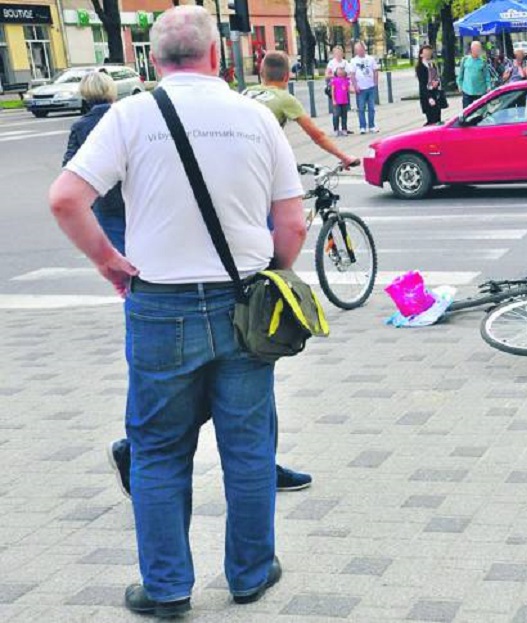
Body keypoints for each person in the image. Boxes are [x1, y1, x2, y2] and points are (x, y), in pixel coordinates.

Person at [49, 6, 305, 616]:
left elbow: (66, 198)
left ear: (153, 59)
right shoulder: (255, 116)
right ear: (217, 56)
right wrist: (269, 270)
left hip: (160, 305)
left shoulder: (130, 115)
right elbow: (292, 224)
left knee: (159, 449)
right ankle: (249, 573)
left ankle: (165, 589)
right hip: (244, 302)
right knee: (248, 448)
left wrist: (110, 260)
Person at [244, 51, 357, 167]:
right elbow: (317, 135)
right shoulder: (285, 98)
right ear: (287, 76)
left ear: (261, 73)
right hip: (260, 157)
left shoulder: (246, 92)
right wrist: (344, 157)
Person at [62, 71, 124, 254]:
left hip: (105, 200)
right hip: (140, 196)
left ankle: (132, 282)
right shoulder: (128, 118)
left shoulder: (81, 126)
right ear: (112, 91)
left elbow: (70, 166)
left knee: (120, 254)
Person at [348, 42, 380, 134]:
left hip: (370, 86)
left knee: (371, 107)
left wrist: (375, 83)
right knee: (361, 108)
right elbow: (352, 74)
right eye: (357, 50)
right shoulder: (353, 61)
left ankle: (371, 125)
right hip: (360, 88)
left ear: (364, 49)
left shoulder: (370, 59)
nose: (359, 51)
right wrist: (355, 85)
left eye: (360, 49)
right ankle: (362, 126)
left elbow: (375, 71)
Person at [458, 41, 490, 108]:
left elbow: (487, 75)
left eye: (479, 48)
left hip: (480, 92)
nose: (478, 50)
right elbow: (460, 74)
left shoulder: (483, 61)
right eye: (477, 48)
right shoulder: (465, 59)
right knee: (467, 113)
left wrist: (488, 86)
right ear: (472, 49)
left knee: (480, 112)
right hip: (467, 91)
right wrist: (460, 85)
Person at [416, 44, 442, 126]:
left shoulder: (432, 64)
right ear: (421, 55)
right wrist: (429, 97)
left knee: (437, 115)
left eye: (429, 52)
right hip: (427, 94)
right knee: (431, 117)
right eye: (426, 52)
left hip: (435, 92)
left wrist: (437, 82)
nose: (428, 54)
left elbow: (437, 76)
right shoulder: (420, 67)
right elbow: (422, 83)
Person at [331, 66, 351, 135]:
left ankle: (344, 129)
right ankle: (336, 129)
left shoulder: (346, 80)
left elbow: (348, 89)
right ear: (336, 72)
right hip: (337, 101)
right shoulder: (334, 80)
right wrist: (333, 100)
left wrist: (356, 91)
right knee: (336, 115)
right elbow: (332, 91)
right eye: (339, 71)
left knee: (344, 116)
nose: (340, 72)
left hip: (344, 101)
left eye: (342, 71)